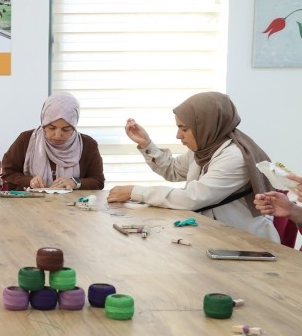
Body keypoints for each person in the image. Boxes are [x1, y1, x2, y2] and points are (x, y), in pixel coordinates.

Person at [108, 92, 279, 242]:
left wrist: (135, 192)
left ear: (205, 126)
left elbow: (192, 198)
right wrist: (146, 144)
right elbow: (173, 170)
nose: (178, 135)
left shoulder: (235, 157)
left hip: (248, 243)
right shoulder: (206, 148)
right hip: (217, 237)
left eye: (184, 129)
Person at [1, 92, 105, 191]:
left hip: (73, 203)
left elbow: (98, 181)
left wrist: (75, 182)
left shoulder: (88, 145)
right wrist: (29, 181)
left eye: (66, 129)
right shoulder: (26, 140)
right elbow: (7, 173)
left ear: (74, 127)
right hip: (31, 202)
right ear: (43, 124)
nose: (57, 135)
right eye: (51, 128)